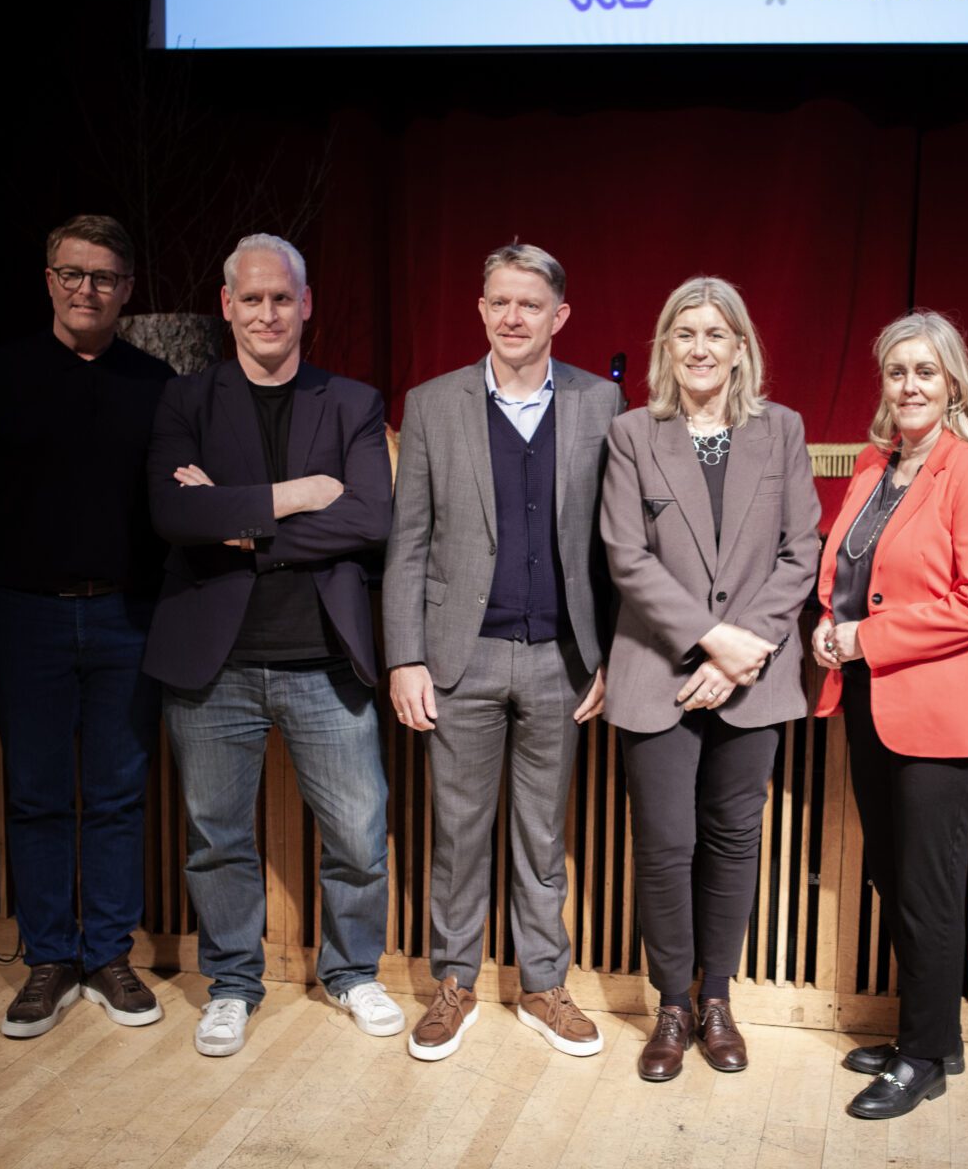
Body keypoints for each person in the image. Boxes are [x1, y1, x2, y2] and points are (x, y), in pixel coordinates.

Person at [144, 233, 402, 1057]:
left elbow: (371, 518)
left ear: (305, 304)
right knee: (217, 839)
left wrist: (240, 518)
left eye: (281, 298)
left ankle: (352, 972)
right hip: (212, 664)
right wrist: (300, 494)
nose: (266, 313)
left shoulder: (352, 401)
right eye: (251, 299)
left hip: (324, 659)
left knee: (358, 835)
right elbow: (175, 515)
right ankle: (231, 984)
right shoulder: (186, 399)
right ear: (227, 306)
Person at [0, 215, 173, 1038]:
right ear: (48, 280)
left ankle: (109, 956)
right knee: (35, 797)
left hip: (128, 618)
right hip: (20, 618)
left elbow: (180, 508)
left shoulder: (157, 383)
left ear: (127, 290)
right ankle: (50, 960)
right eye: (71, 273)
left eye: (103, 277)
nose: (85, 290)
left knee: (118, 796)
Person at [383, 243, 622, 1062]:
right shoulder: (432, 404)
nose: (512, 317)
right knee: (458, 833)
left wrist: (612, 653)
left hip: (562, 657)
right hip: (462, 657)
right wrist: (405, 657)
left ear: (559, 316)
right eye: (499, 302)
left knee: (542, 836)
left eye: (529, 304)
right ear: (481, 309)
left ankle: (543, 984)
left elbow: (616, 546)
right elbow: (409, 543)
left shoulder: (601, 402)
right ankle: (454, 982)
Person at [598, 277, 821, 1081]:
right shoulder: (633, 434)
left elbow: (801, 550)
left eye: (715, 334)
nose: (700, 347)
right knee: (665, 846)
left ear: (740, 349)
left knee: (732, 841)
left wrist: (743, 652)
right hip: (658, 669)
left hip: (753, 677)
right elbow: (626, 556)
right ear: (667, 347)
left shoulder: (782, 429)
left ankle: (717, 999)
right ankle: (671, 1007)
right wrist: (711, 642)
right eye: (685, 333)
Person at [811, 311, 968, 1120]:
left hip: (948, 716)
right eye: (897, 371)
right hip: (872, 702)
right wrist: (829, 627)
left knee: (928, 889)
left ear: (953, 382)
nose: (909, 385)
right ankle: (932, 1035)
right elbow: (850, 576)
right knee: (893, 877)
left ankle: (924, 1057)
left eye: (925, 371)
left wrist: (866, 636)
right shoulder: (874, 467)